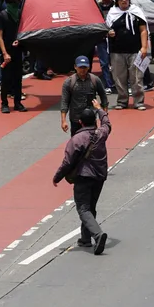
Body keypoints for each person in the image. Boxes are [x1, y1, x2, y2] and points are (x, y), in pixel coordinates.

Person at [51, 99, 110, 256]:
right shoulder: (101, 133)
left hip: (83, 177)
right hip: (99, 176)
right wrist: (99, 109)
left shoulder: (76, 139)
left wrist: (57, 177)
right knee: (91, 207)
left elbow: (67, 162)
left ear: (80, 122)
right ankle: (85, 238)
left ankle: (97, 235)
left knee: (83, 208)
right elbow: (107, 123)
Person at [106, 0, 148, 111]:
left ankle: (138, 101)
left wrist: (144, 47)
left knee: (136, 77)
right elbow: (106, 29)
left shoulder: (136, 12)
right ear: (117, 1)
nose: (124, 0)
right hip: (117, 51)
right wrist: (109, 33)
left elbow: (143, 30)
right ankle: (122, 101)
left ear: (129, 0)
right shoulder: (112, 13)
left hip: (135, 50)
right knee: (119, 77)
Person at [60, 55, 108, 136]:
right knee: (76, 143)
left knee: (92, 143)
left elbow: (104, 97)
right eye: (80, 67)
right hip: (75, 119)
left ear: (88, 67)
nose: (83, 70)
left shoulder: (95, 80)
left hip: (91, 119)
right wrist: (63, 121)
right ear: (75, 67)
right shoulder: (69, 82)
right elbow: (64, 102)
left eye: (85, 67)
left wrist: (104, 115)